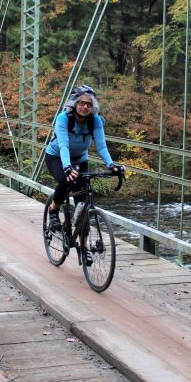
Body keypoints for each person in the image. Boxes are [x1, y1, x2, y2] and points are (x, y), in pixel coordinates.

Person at [45, 85, 123, 260]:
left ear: (92, 106)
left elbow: (101, 146)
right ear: (75, 104)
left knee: (84, 203)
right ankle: (53, 208)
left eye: (89, 104)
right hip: (57, 157)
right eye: (81, 103)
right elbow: (64, 145)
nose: (85, 107)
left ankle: (84, 246)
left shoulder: (95, 121)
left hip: (80, 159)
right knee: (66, 180)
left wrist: (111, 165)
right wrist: (67, 167)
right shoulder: (64, 118)